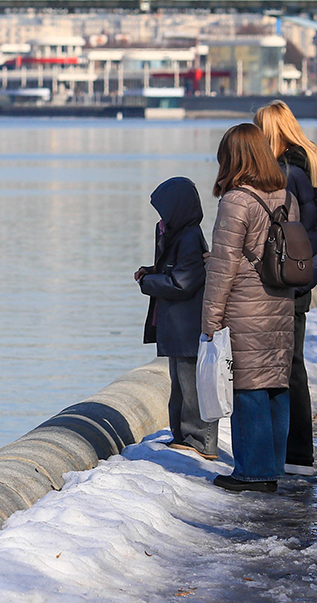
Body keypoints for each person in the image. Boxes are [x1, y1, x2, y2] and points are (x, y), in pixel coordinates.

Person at [203, 123, 298, 493]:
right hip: (279, 301)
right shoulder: (286, 196)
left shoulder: (236, 200)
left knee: (247, 388)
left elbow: (225, 267)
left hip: (245, 305)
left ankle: (253, 472)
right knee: (274, 383)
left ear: (233, 157)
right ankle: (272, 465)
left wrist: (210, 319)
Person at [253, 101, 317, 476]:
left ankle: (296, 452)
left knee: (287, 366)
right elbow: (316, 228)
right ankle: (298, 449)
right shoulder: (309, 162)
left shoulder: (285, 171)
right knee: (294, 362)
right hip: (304, 273)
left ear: (271, 133)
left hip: (287, 279)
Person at [136, 177, 218, 460]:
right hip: (177, 325)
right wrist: (152, 271)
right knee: (180, 384)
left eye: (164, 211)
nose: (160, 218)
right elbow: (177, 271)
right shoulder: (177, 234)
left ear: (177, 210)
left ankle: (200, 440)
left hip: (187, 324)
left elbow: (184, 282)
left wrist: (149, 283)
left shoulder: (188, 237)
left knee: (192, 385)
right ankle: (183, 436)